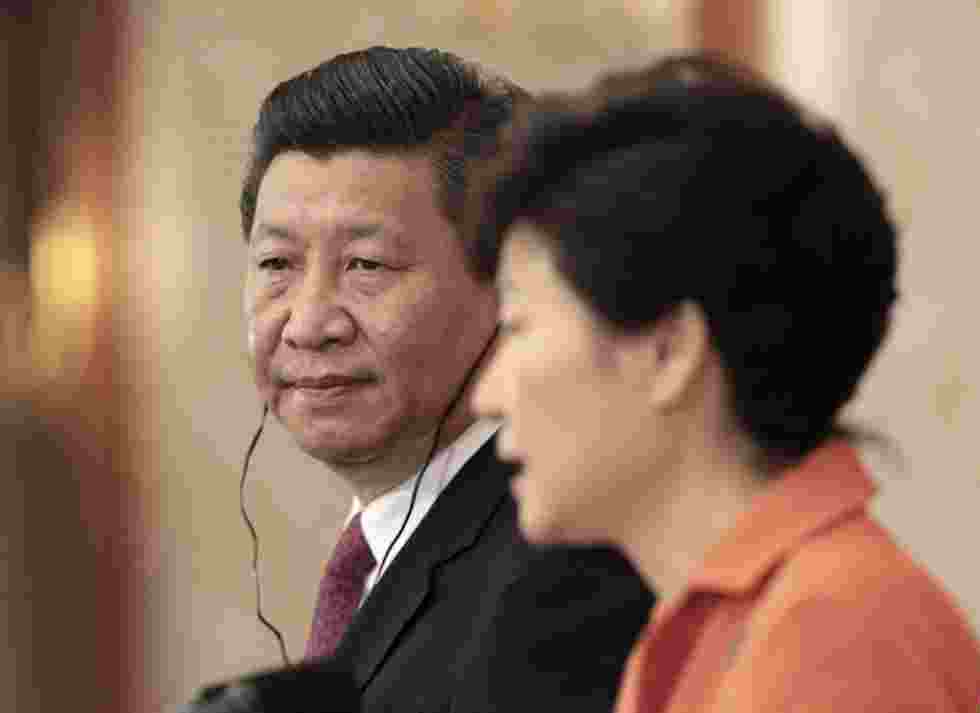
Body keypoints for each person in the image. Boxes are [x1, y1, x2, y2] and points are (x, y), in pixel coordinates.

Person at [466, 53, 980, 712]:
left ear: (670, 351)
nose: (487, 394)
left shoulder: (832, 641)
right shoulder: (716, 627)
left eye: (518, 326)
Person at [187, 46, 654, 713]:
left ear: (508, 283)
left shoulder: (567, 568)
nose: (309, 321)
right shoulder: (391, 545)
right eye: (276, 263)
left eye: (367, 264)